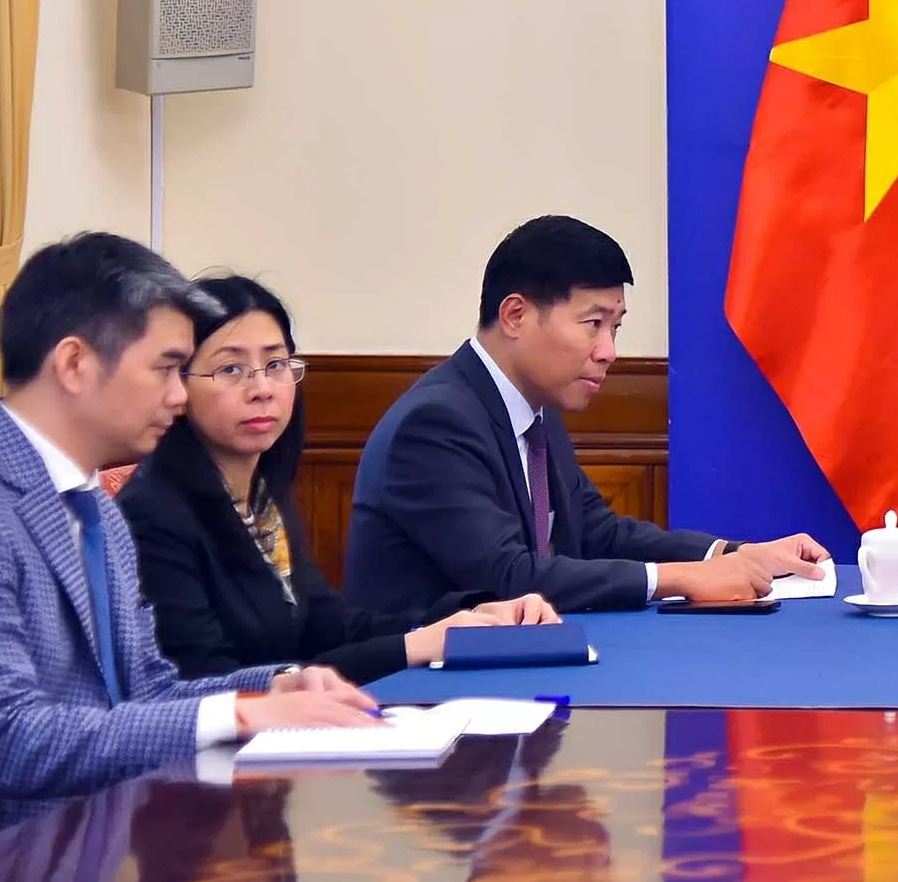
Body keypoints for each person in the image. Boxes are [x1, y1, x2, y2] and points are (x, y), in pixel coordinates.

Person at [0, 234, 378, 840]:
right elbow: (4, 741)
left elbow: (147, 690)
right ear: (74, 364)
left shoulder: (94, 507)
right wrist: (240, 710)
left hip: (94, 863)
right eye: (166, 369)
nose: (180, 397)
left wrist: (274, 682)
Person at [345, 216, 830, 614]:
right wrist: (685, 578)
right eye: (593, 324)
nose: (609, 352)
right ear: (515, 316)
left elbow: (598, 534)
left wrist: (731, 554)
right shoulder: (434, 425)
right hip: (420, 693)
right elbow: (509, 576)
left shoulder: (536, 409)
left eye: (615, 328)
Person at [117, 275, 559, 687]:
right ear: (179, 385)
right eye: (231, 370)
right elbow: (207, 683)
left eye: (275, 364)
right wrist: (417, 646)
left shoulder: (262, 497)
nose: (263, 388)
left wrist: (467, 617)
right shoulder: (154, 514)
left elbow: (330, 627)